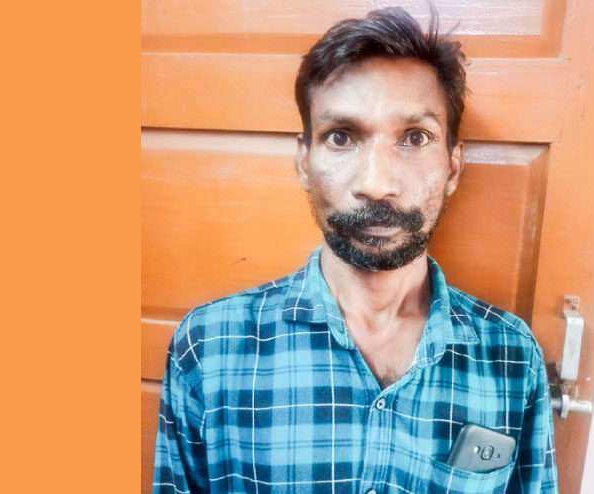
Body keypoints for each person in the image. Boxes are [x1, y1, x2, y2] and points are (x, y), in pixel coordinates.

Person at [153, 7, 557, 494]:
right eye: (341, 137)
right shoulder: (210, 348)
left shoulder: (512, 357)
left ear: (453, 167)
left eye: (415, 138)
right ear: (304, 162)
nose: (376, 184)